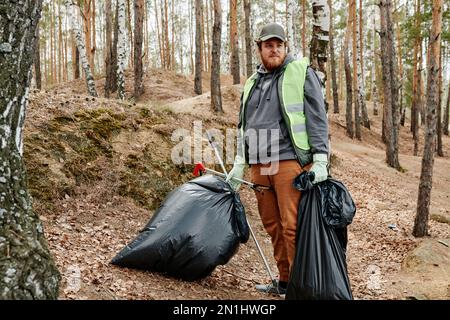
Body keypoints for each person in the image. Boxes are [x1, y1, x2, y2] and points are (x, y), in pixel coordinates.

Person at [226, 22, 329, 295]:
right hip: (260, 164)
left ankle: (300, 288)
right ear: (259, 48)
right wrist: (240, 161)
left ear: (286, 47)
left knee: (291, 226)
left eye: (279, 45)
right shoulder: (252, 82)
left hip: (288, 162)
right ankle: (285, 281)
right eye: (268, 45)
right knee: (273, 226)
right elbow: (244, 125)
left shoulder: (301, 73)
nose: (274, 50)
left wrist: (320, 160)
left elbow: (317, 118)